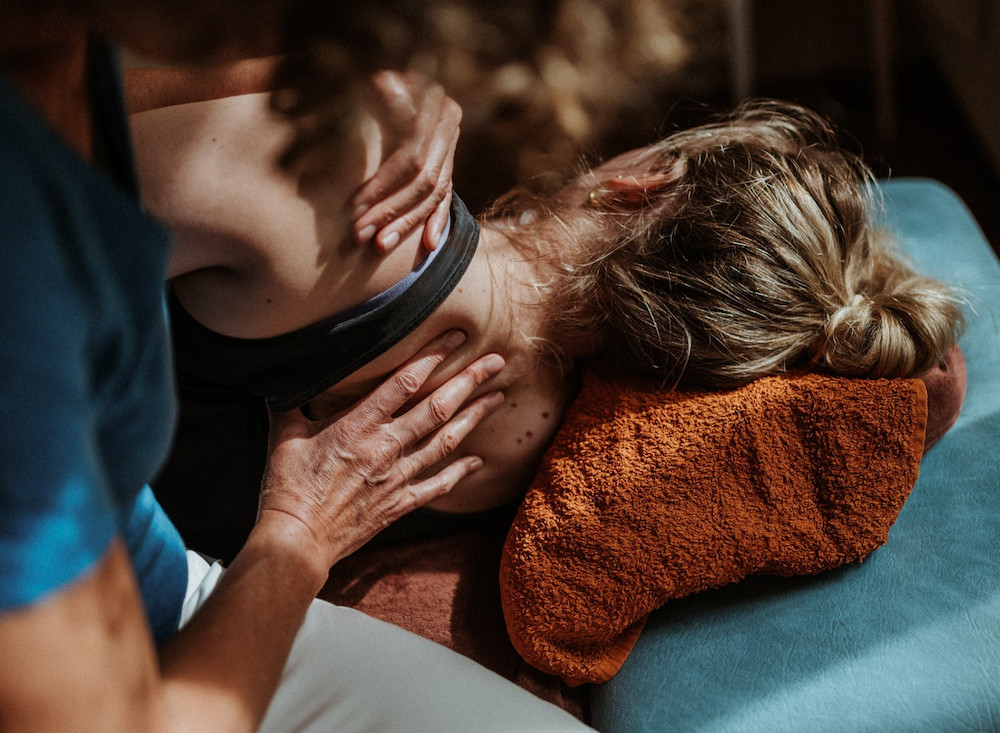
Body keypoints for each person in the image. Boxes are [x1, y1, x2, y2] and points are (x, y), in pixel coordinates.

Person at [0, 3, 598, 731]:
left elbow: (68, 129)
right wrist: (295, 536)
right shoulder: (24, 300)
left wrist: (314, 79)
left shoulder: (47, 58)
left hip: (147, 578)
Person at [137, 92, 965, 562]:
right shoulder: (545, 452)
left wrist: (367, 107)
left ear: (645, 181)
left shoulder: (358, 199)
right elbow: (933, 384)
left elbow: (32, 169)